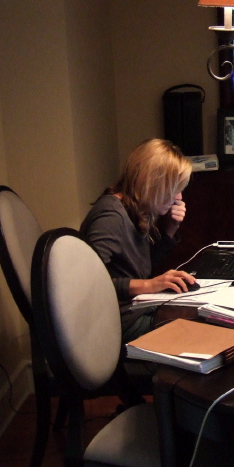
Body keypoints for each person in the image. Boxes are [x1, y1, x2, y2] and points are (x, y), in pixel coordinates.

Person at [81, 138, 196, 343]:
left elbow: (139, 266)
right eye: (174, 188)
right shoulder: (111, 217)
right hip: (118, 324)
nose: (178, 196)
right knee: (200, 327)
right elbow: (89, 285)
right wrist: (149, 285)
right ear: (153, 184)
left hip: (136, 309)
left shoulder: (134, 209)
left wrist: (169, 230)